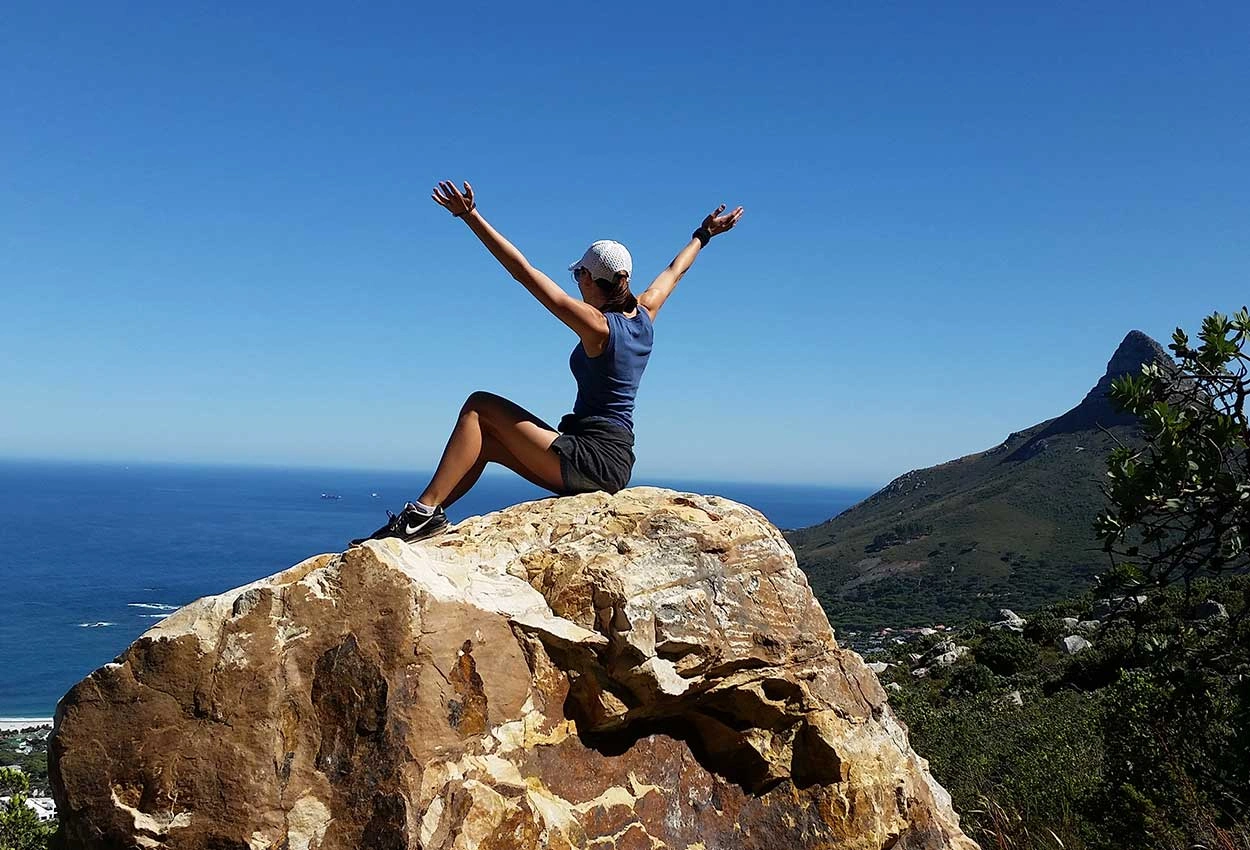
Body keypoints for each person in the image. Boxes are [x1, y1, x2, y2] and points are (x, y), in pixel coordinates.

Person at [351, 180, 743, 546]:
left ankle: (419, 515)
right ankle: (427, 518)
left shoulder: (598, 326)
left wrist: (471, 217)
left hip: (592, 458)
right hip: (613, 459)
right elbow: (676, 271)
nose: (577, 282)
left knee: (479, 405)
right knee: (484, 442)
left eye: (578, 275)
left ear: (589, 278)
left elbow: (524, 272)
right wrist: (703, 234)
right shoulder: (645, 312)